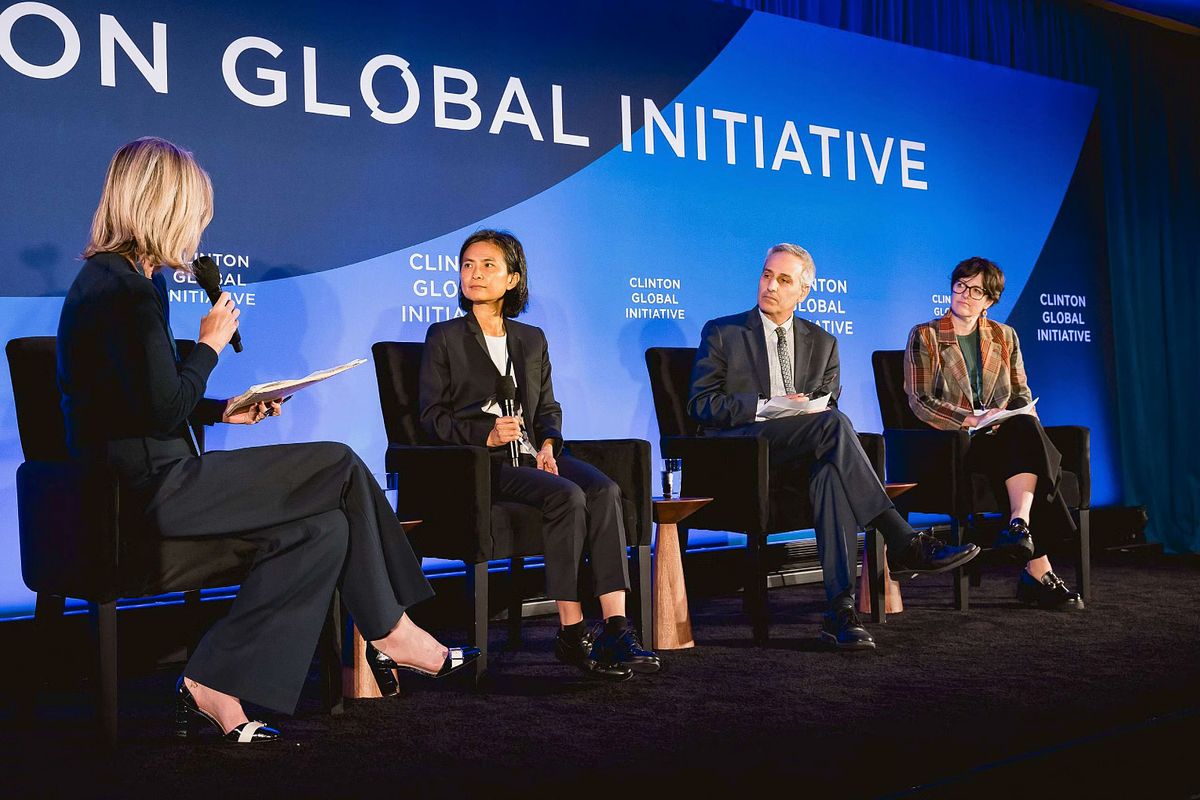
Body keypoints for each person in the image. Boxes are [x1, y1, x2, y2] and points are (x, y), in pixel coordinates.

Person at [57, 137, 478, 744]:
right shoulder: (125, 289)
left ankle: (213, 683)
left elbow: (134, 404)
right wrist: (208, 345)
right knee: (337, 463)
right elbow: (159, 406)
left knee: (321, 529)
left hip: (151, 476)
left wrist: (226, 410)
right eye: (196, 214)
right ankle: (392, 626)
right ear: (163, 206)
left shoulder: (112, 281)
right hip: (145, 491)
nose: (200, 229)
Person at [688, 243, 981, 650]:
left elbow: (827, 410)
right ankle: (901, 538)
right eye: (766, 275)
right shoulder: (723, 332)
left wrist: (802, 412)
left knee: (830, 471)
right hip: (743, 452)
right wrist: (765, 406)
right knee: (834, 426)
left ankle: (839, 612)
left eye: (784, 280)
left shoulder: (823, 342)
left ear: (803, 291)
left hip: (801, 447)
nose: (771, 285)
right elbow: (701, 405)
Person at [419, 229, 660, 681]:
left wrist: (549, 443)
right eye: (468, 264)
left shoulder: (531, 339)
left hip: (532, 453)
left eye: (488, 265)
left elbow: (547, 406)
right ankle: (571, 631)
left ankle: (615, 627)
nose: (475, 274)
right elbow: (431, 417)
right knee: (566, 496)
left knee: (604, 489)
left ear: (512, 278)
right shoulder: (445, 337)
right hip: (483, 464)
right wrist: (485, 434)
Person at [903, 257, 1084, 610]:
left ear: (989, 301)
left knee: (1024, 424)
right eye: (960, 286)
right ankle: (1036, 563)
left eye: (976, 291)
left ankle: (1019, 526)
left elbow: (1020, 390)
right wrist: (970, 419)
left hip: (1004, 435)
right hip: (958, 443)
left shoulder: (1005, 335)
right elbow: (920, 400)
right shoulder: (925, 334)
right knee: (1029, 444)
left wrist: (1012, 411)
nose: (965, 296)